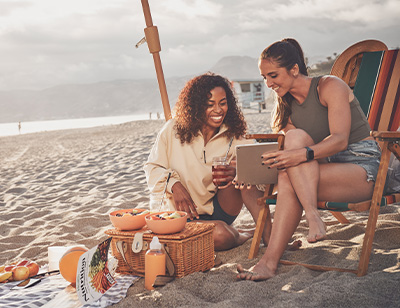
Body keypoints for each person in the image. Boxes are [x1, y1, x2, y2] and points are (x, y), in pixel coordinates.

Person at [237, 38, 381, 280]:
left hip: (360, 167)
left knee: (289, 175)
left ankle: (271, 261)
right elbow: (295, 152)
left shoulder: (329, 86)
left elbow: (339, 140)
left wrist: (300, 155)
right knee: (292, 142)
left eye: (273, 75)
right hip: (320, 169)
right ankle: (311, 215)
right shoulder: (287, 106)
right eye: (264, 77)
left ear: (294, 69)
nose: (268, 83)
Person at [144, 72, 265, 251]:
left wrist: (237, 170)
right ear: (195, 106)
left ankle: (265, 232)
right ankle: (244, 234)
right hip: (182, 215)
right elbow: (151, 168)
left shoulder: (234, 133)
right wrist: (174, 185)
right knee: (222, 236)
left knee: (244, 173)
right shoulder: (172, 129)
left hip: (220, 208)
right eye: (210, 105)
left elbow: (259, 166)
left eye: (223, 103)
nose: (218, 110)